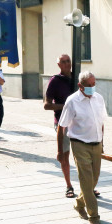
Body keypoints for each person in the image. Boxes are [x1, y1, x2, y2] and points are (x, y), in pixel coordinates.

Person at [57, 71, 108, 224]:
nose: (93, 88)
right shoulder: (72, 101)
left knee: (94, 179)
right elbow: (61, 126)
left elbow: (101, 122)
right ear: (80, 86)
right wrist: (60, 150)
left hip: (96, 143)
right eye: (89, 85)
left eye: (94, 84)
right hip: (79, 143)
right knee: (86, 180)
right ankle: (94, 216)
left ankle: (79, 203)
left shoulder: (99, 98)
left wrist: (102, 142)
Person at [44, 54, 77, 198]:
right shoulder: (55, 81)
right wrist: (66, 107)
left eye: (68, 61)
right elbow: (46, 105)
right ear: (59, 65)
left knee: (82, 156)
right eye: (63, 62)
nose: (67, 64)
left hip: (78, 124)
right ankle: (69, 185)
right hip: (62, 123)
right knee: (65, 155)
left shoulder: (77, 79)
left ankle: (87, 185)